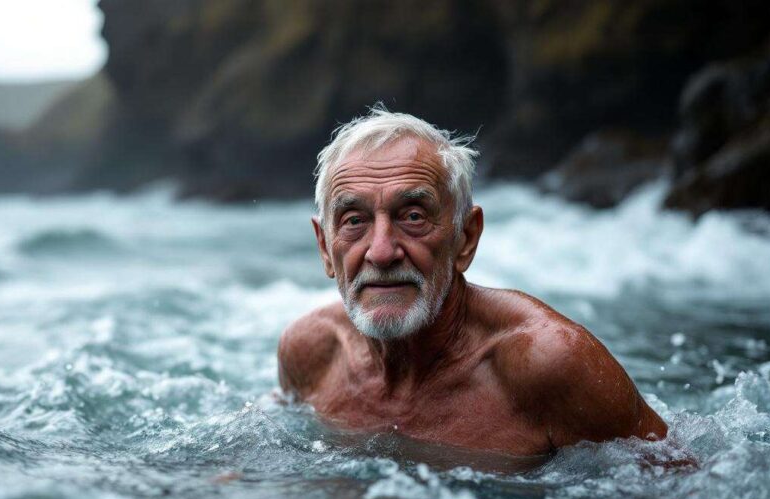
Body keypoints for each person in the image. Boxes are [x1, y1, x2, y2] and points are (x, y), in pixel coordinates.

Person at [277, 106, 667, 456]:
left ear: (466, 238)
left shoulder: (549, 364)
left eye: (412, 216)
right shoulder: (311, 353)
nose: (381, 252)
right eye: (354, 221)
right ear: (326, 248)